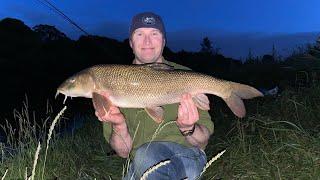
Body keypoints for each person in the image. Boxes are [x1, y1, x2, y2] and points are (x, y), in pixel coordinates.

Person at [95, 12, 214, 179]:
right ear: (131, 42)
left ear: (164, 41)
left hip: (186, 157)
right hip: (141, 163)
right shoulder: (112, 83)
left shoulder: (187, 77)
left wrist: (189, 129)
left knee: (146, 156)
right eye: (140, 34)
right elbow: (123, 152)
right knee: (143, 158)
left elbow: (202, 142)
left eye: (154, 34)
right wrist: (119, 125)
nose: (147, 41)